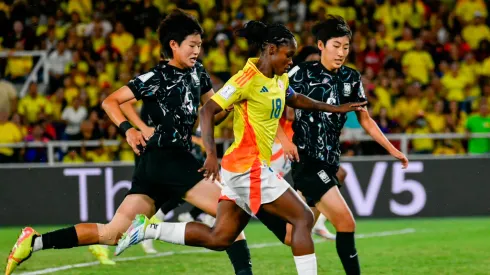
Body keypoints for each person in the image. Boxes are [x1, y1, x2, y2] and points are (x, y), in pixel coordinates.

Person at [5, 10, 254, 275]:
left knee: (112, 233)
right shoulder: (156, 77)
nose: (197, 51)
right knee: (232, 213)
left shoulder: (199, 73)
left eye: (200, 46)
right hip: (170, 159)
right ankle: (233, 268)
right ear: (173, 45)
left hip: (156, 165)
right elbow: (110, 101)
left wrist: (234, 100)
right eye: (192, 45)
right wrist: (129, 130)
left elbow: (211, 116)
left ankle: (35, 242)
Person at [114, 21, 366, 275]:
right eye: (288, 55)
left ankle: (146, 229)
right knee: (303, 218)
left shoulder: (278, 77)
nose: (291, 62)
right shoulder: (246, 78)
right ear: (270, 50)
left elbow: (295, 99)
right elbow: (208, 110)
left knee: (220, 237)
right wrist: (211, 154)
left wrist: (336, 108)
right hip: (248, 167)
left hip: (246, 169)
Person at [285, 15, 409, 274]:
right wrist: (283, 139)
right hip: (307, 160)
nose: (341, 52)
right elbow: (274, 105)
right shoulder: (302, 73)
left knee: (294, 233)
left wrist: (392, 149)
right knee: (345, 221)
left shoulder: (351, 78)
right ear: (321, 45)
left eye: (346, 47)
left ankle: (249, 220)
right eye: (335, 46)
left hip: (330, 161)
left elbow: (366, 119)